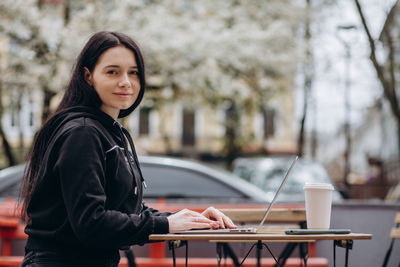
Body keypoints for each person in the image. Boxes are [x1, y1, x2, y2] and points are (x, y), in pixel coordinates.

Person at [18, 31, 236, 267]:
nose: (126, 81)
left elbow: (125, 210)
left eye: (133, 73)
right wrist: (167, 225)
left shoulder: (107, 131)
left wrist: (187, 219)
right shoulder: (83, 133)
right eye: (113, 72)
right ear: (88, 76)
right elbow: (91, 222)